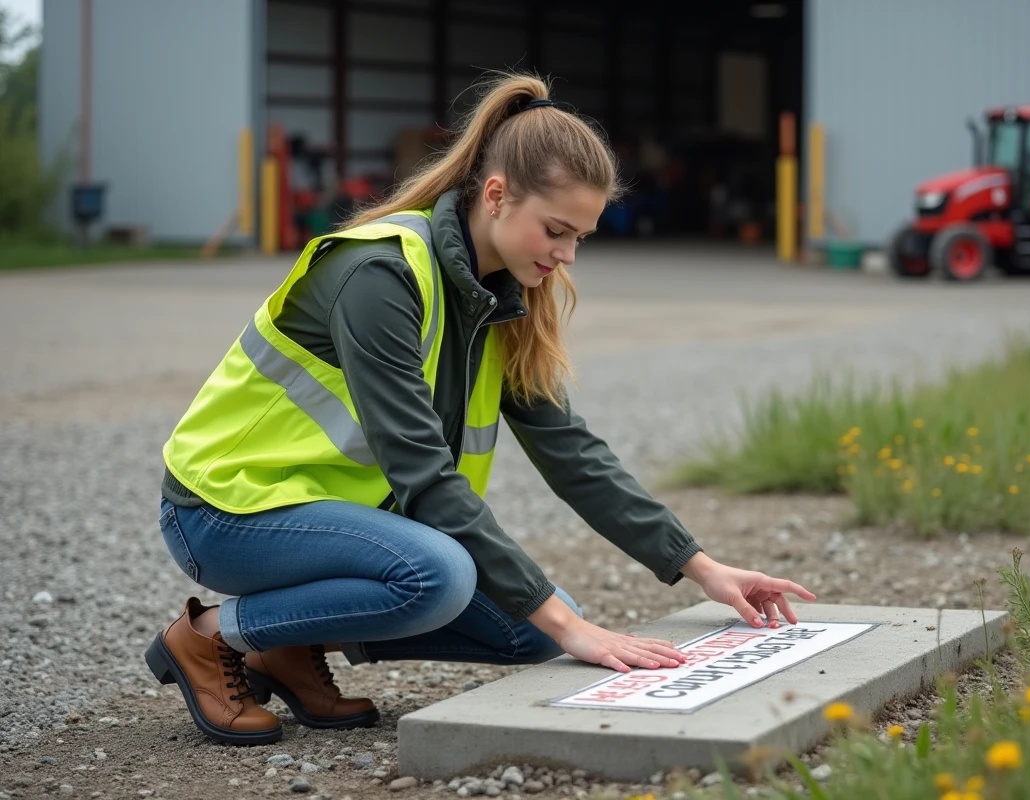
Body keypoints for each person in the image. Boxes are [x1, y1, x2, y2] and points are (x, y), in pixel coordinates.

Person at [145, 72, 816, 746]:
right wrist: (569, 624)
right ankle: (209, 636)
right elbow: (425, 478)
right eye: (556, 231)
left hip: (332, 524)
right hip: (225, 510)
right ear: (496, 195)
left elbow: (572, 452)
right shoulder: (382, 275)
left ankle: (286, 643)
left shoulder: (499, 297)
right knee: (441, 575)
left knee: (531, 633)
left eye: (580, 238)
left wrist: (701, 567)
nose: (566, 255)